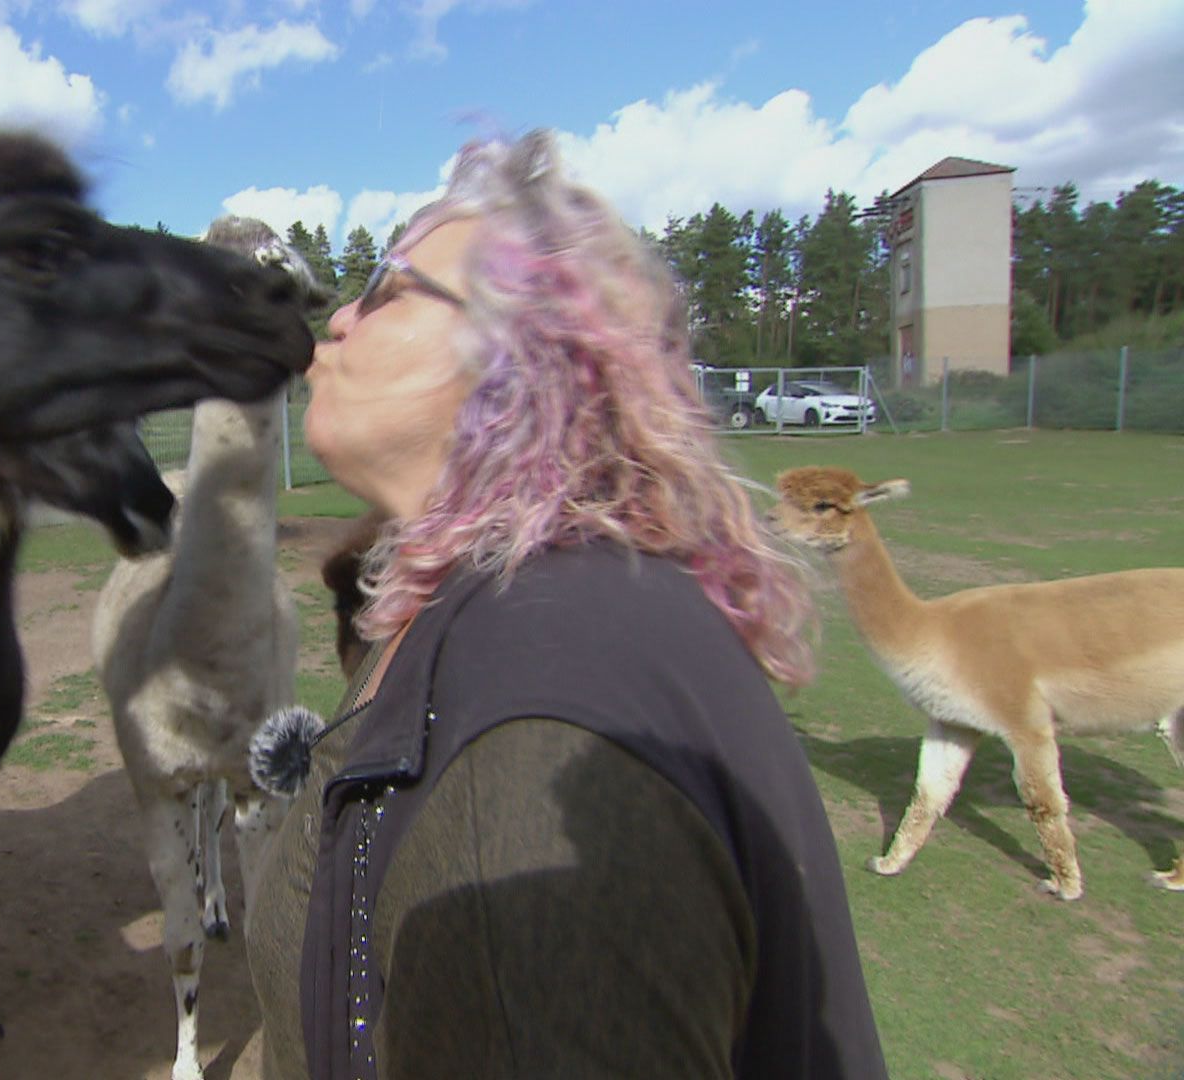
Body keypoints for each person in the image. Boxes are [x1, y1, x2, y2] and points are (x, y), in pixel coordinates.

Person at [246, 131, 888, 1080]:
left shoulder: (535, 730)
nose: (340, 316)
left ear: (524, 361)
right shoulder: (538, 611)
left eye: (386, 288)